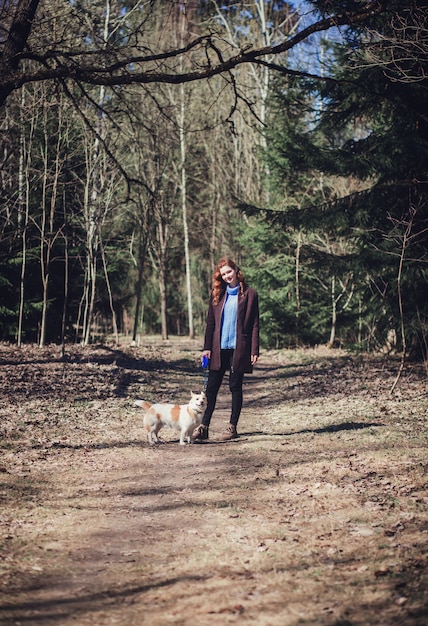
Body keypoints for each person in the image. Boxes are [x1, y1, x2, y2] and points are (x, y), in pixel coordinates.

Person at [192, 257, 259, 442]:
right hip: (218, 349)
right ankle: (203, 428)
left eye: (229, 272)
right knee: (211, 389)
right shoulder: (218, 295)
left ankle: (232, 427)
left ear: (236, 270)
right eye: (223, 274)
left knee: (235, 387)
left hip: (239, 349)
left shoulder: (250, 294)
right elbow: (210, 324)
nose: (227, 276)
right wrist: (206, 348)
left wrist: (254, 349)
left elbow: (254, 324)